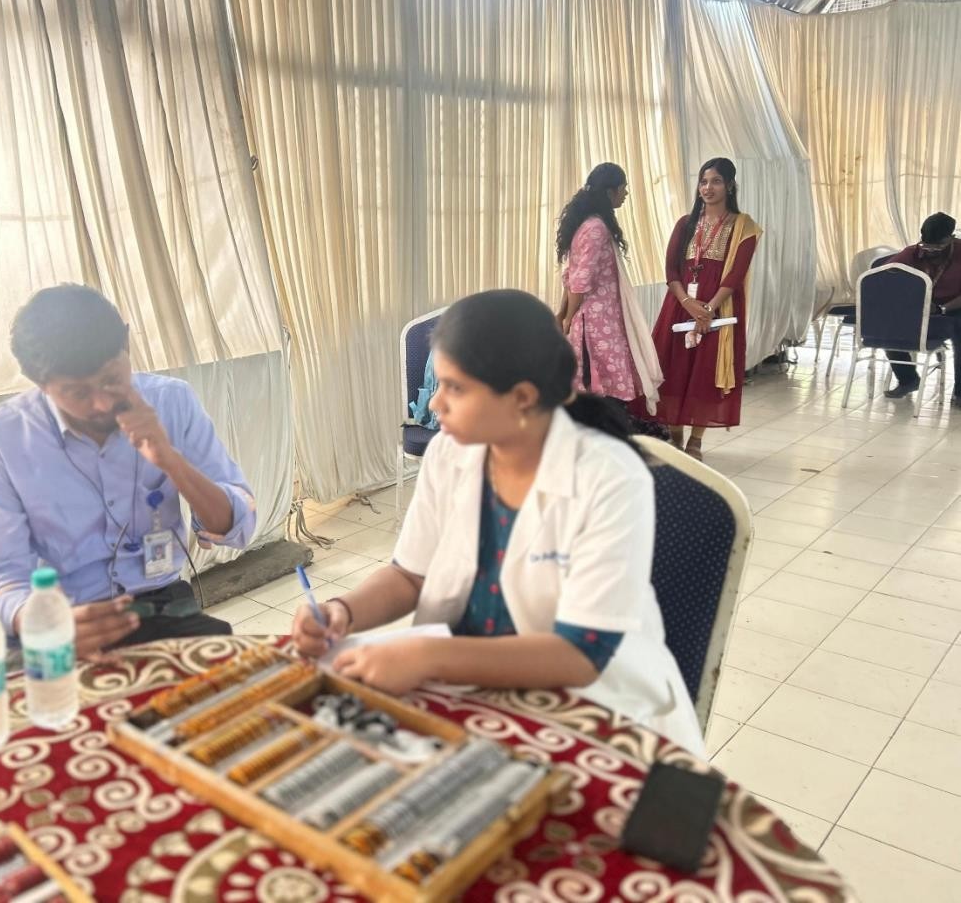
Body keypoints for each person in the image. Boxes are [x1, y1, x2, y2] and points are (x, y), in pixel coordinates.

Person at [290, 289, 705, 756]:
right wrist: (343, 612)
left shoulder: (609, 477)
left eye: (455, 388)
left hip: (586, 705)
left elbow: (580, 654)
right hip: (465, 686)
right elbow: (409, 576)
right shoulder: (450, 453)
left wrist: (427, 656)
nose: (434, 405)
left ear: (522, 398)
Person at [0, 285, 256, 658]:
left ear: (127, 346)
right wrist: (43, 624)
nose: (102, 403)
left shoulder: (172, 401)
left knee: (235, 684)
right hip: (59, 617)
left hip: (159, 604)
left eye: (111, 379)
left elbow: (238, 526)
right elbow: (1, 578)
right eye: (78, 393)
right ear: (41, 384)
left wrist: (170, 460)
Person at [642, 158, 760, 460]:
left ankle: (695, 440)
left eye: (716, 181)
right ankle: (675, 437)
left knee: (704, 373)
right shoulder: (685, 224)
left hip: (719, 309)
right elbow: (671, 270)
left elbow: (735, 275)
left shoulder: (743, 226)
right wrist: (687, 303)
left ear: (730, 185)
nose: (708, 188)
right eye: (703, 181)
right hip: (679, 305)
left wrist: (708, 310)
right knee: (673, 370)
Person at [556, 163, 662, 416]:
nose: (626, 193)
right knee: (604, 388)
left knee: (600, 386)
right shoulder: (596, 228)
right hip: (597, 324)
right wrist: (568, 317)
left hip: (595, 321)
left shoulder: (585, 224)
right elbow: (580, 280)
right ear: (609, 191)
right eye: (623, 188)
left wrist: (564, 314)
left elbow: (571, 275)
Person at [884, 212, 961, 404]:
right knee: (888, 326)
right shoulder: (911, 253)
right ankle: (908, 380)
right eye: (927, 245)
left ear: (951, 238)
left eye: (938, 246)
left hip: (954, 307)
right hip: (921, 307)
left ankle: (960, 393)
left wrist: (943, 309)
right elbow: (883, 278)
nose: (931, 251)